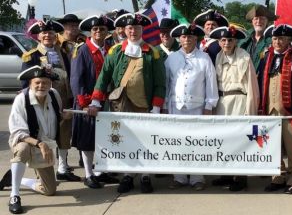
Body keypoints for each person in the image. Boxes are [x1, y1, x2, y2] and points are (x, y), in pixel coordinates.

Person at [88, 12, 166, 194]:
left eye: (137, 28)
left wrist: (156, 106)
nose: (133, 31)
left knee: (145, 140)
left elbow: (160, 83)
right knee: (124, 140)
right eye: (130, 28)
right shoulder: (115, 51)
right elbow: (104, 77)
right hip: (120, 105)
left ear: (142, 30)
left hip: (143, 105)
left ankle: (146, 176)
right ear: (124, 29)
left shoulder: (153, 52)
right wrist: (96, 101)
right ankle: (128, 175)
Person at [21, 20, 80, 182]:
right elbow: (25, 81)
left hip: (64, 97)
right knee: (45, 132)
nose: (48, 35)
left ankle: (63, 167)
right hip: (43, 99)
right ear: (39, 36)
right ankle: (42, 166)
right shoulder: (32, 55)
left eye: (51, 33)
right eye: (44, 33)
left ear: (56, 35)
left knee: (64, 133)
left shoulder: (62, 51)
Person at [258, 24, 292, 194]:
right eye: (275, 38)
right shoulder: (265, 56)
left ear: (289, 39)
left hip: (291, 110)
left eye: (281, 38)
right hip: (269, 108)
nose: (277, 42)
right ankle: (278, 176)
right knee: (272, 145)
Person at [164, 23, 218, 191]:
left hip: (197, 108)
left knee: (197, 143)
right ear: (179, 38)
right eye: (184, 36)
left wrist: (209, 105)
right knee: (177, 142)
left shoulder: (204, 58)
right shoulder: (171, 58)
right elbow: (166, 83)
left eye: (191, 37)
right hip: (176, 107)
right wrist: (165, 105)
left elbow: (211, 83)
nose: (187, 39)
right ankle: (178, 177)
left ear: (196, 39)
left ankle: (197, 177)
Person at [209, 25, 260, 191]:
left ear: (235, 41)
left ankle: (240, 176)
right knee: (223, 139)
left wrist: (250, 111)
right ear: (219, 41)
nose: (226, 43)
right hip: (222, 102)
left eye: (230, 40)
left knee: (239, 140)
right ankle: (226, 174)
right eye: (223, 40)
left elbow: (252, 86)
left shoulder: (244, 57)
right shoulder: (217, 56)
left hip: (239, 100)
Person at [70, 15, 118, 189]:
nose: (98, 32)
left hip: (106, 102)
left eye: (102, 29)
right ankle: (89, 174)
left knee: (103, 138)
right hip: (89, 102)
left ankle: (100, 172)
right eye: (95, 29)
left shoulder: (111, 49)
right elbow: (76, 80)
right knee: (88, 139)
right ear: (90, 32)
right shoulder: (82, 50)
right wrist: (84, 103)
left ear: (107, 32)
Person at [7, 66, 61, 214]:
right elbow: (18, 132)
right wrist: (39, 144)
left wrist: (65, 116)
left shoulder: (54, 95)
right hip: (27, 142)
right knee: (22, 149)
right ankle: (14, 195)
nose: (41, 86)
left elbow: (57, 116)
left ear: (50, 84)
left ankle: (16, 178)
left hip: (44, 146)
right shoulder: (21, 99)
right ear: (30, 83)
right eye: (37, 82)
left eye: (45, 82)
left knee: (49, 190)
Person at [238, 5, 276, 73]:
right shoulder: (243, 38)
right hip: (244, 78)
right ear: (252, 21)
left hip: (262, 80)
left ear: (267, 21)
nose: (258, 21)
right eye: (256, 19)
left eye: (262, 19)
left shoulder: (273, 40)